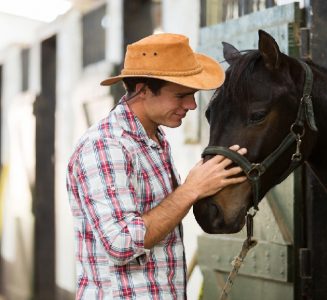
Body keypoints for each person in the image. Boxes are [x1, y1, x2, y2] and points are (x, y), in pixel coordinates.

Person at [66, 33, 247, 299]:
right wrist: (189, 191)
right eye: (181, 95)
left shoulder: (153, 140)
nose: (191, 105)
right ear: (143, 90)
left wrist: (210, 180)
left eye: (193, 95)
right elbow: (121, 243)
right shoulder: (105, 146)